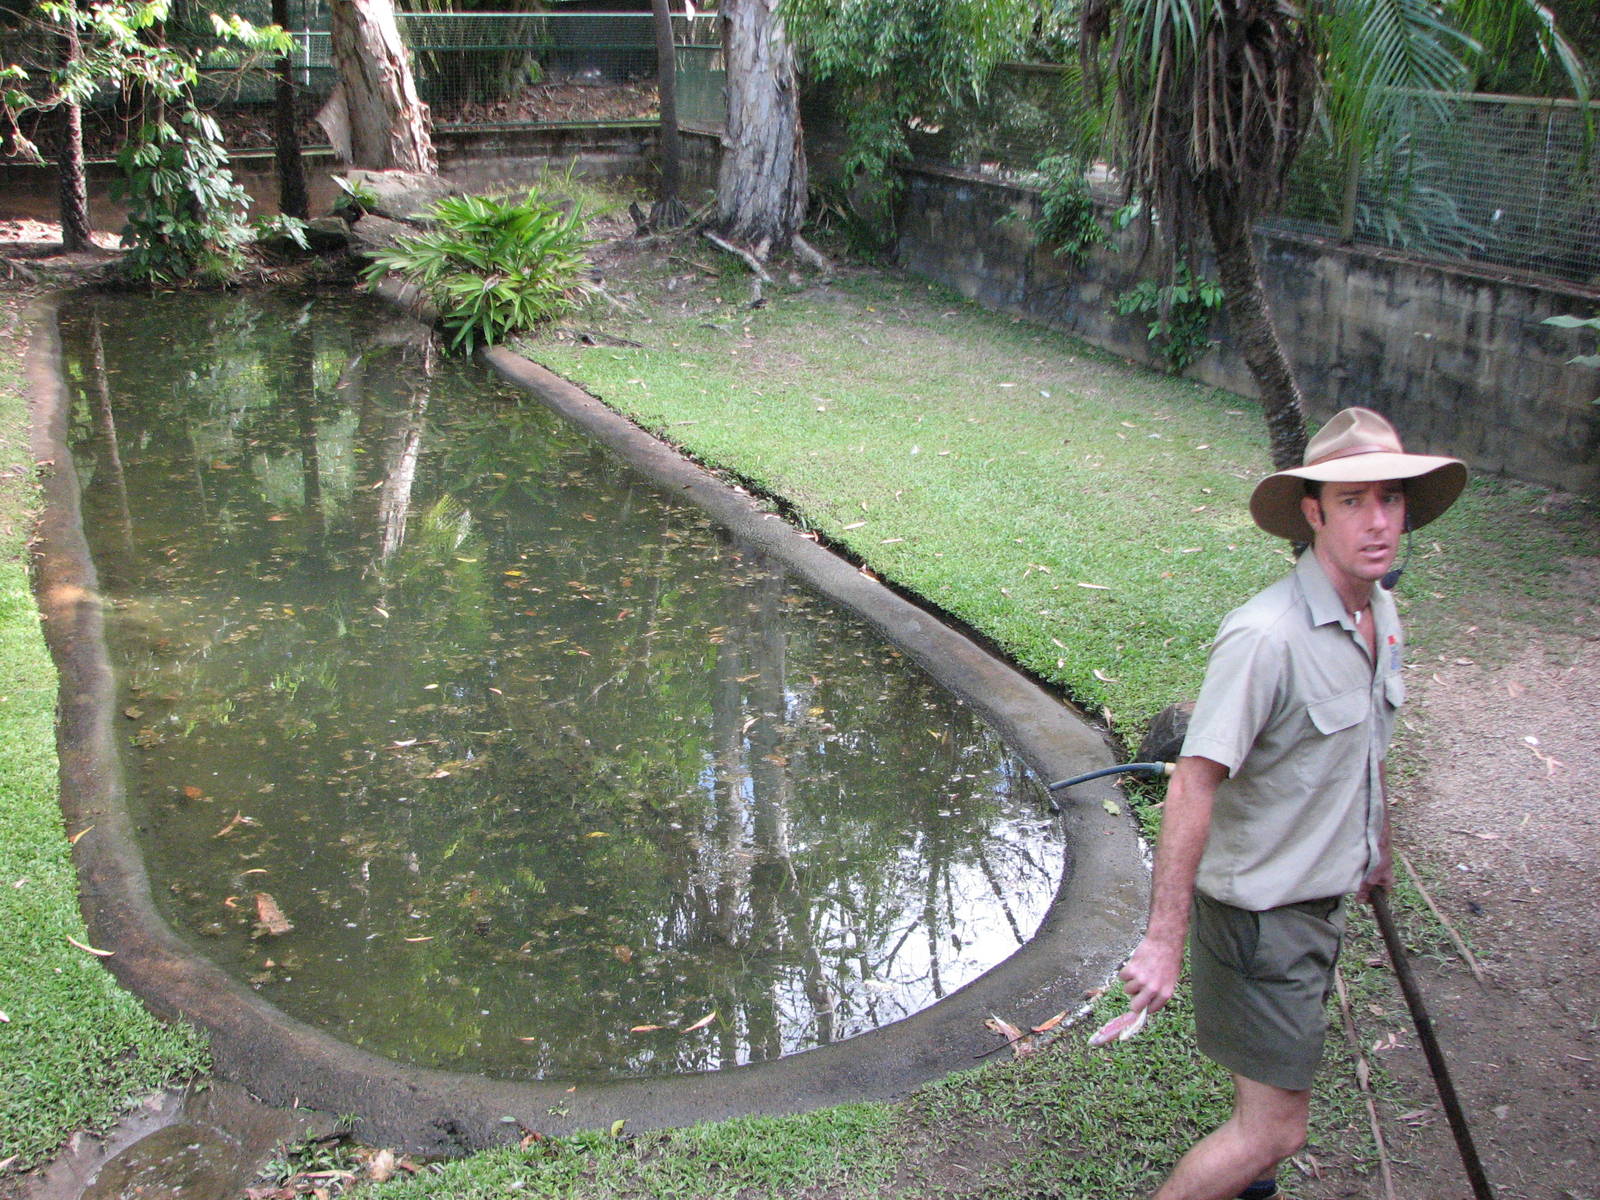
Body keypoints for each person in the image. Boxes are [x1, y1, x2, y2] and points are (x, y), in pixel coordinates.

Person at [1118, 407, 1467, 1200]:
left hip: (1319, 905)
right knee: (1273, 1130)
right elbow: (1191, 782)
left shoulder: (1379, 612)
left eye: (1391, 499)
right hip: (1262, 922)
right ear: (1313, 513)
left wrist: (1373, 846)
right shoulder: (1265, 637)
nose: (1378, 522)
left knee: (1264, 1128)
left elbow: (1361, 750)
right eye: (1353, 501)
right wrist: (1163, 942)